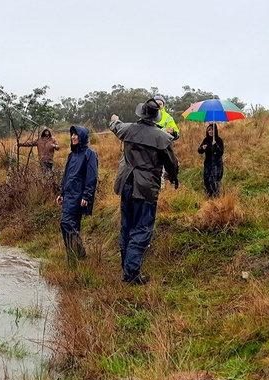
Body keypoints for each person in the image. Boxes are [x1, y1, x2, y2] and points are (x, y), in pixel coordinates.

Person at [109, 98, 180, 285]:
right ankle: (131, 274)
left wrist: (114, 119)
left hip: (126, 183)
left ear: (141, 113)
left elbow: (116, 126)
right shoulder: (162, 137)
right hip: (146, 187)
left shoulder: (128, 129)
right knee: (142, 228)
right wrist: (173, 177)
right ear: (156, 117)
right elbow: (172, 164)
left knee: (127, 225)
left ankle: (127, 267)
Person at [56, 125, 98, 262]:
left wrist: (87, 195)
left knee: (66, 222)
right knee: (72, 225)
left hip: (79, 196)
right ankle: (73, 257)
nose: (73, 137)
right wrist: (62, 192)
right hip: (69, 194)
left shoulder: (90, 154)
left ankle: (80, 253)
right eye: (72, 134)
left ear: (83, 136)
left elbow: (92, 176)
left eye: (76, 134)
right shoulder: (71, 155)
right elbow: (66, 175)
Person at [198, 123, 225, 198]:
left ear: (215, 131)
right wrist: (202, 148)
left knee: (214, 182)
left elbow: (221, 152)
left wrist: (215, 145)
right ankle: (208, 198)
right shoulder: (205, 140)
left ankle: (216, 200)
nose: (211, 131)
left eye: (212, 130)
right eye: (209, 129)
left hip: (217, 165)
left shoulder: (219, 140)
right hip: (207, 164)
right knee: (206, 181)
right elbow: (199, 151)